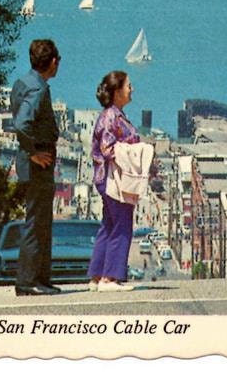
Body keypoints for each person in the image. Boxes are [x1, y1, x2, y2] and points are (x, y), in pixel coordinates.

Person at [87, 71, 149, 292]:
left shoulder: (115, 114)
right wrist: (134, 151)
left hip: (106, 178)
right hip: (113, 178)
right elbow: (108, 148)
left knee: (109, 224)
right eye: (128, 85)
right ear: (117, 91)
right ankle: (110, 278)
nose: (132, 89)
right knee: (122, 224)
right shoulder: (111, 116)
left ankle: (97, 275)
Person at [9, 39, 62, 296]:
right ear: (52, 62)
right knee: (37, 222)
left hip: (30, 160)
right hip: (37, 162)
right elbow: (22, 124)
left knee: (40, 221)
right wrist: (33, 153)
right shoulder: (38, 90)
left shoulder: (23, 82)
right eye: (58, 60)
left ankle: (40, 279)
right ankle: (28, 281)